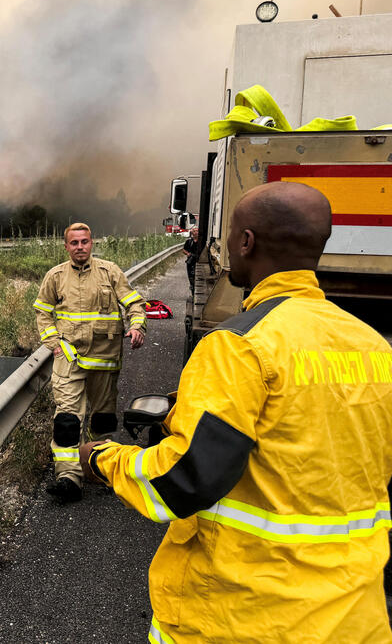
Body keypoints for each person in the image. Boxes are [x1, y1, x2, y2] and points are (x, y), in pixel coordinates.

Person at [80, 181, 392, 643]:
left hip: (243, 617)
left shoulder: (238, 346)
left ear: (246, 242)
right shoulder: (373, 346)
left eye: (229, 234)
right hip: (355, 620)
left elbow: (183, 479)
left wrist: (105, 460)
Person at [33, 222, 146, 503]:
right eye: (74, 243)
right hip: (69, 359)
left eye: (84, 241)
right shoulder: (55, 276)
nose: (80, 247)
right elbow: (43, 312)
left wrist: (137, 326)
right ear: (66, 246)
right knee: (67, 419)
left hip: (105, 359)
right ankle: (68, 478)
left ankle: (99, 468)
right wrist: (54, 343)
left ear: (92, 243)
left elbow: (134, 303)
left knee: (102, 419)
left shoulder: (110, 272)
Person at [182, 227, 199, 295]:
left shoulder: (201, 242)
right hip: (190, 262)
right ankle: (192, 292)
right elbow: (184, 250)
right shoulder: (189, 241)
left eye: (197, 231)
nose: (196, 232)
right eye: (194, 231)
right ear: (192, 233)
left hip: (198, 261)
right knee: (191, 277)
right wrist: (188, 253)